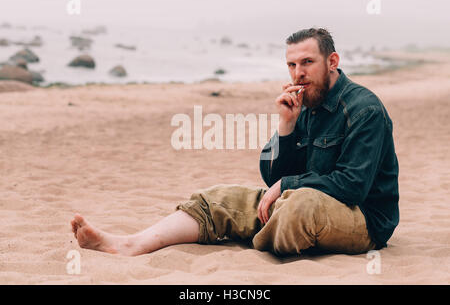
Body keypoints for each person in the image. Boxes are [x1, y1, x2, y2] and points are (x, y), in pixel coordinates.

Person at [70, 28, 399, 257]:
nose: (298, 73)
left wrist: (288, 184)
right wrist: (286, 126)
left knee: (298, 205)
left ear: (332, 62)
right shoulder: (307, 104)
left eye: (307, 63)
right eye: (291, 64)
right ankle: (130, 244)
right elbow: (272, 179)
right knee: (220, 196)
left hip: (364, 220)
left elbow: (352, 186)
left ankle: (251, 233)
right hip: (302, 203)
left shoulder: (364, 110)